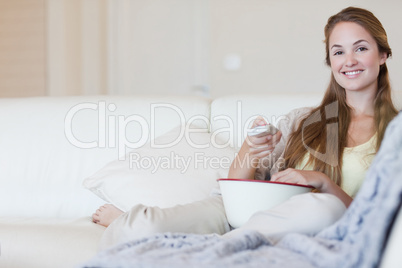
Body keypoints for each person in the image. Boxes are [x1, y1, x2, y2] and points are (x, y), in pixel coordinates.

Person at [92, 6, 398, 248]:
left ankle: (210, 247)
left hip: (311, 222)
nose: (349, 60)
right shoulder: (302, 121)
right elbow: (236, 188)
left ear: (382, 54)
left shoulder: (395, 133)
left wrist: (323, 182)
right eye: (338, 51)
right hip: (238, 214)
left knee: (323, 208)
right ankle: (159, 233)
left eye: (360, 48)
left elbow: (376, 216)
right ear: (330, 61)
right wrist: (250, 150)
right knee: (143, 226)